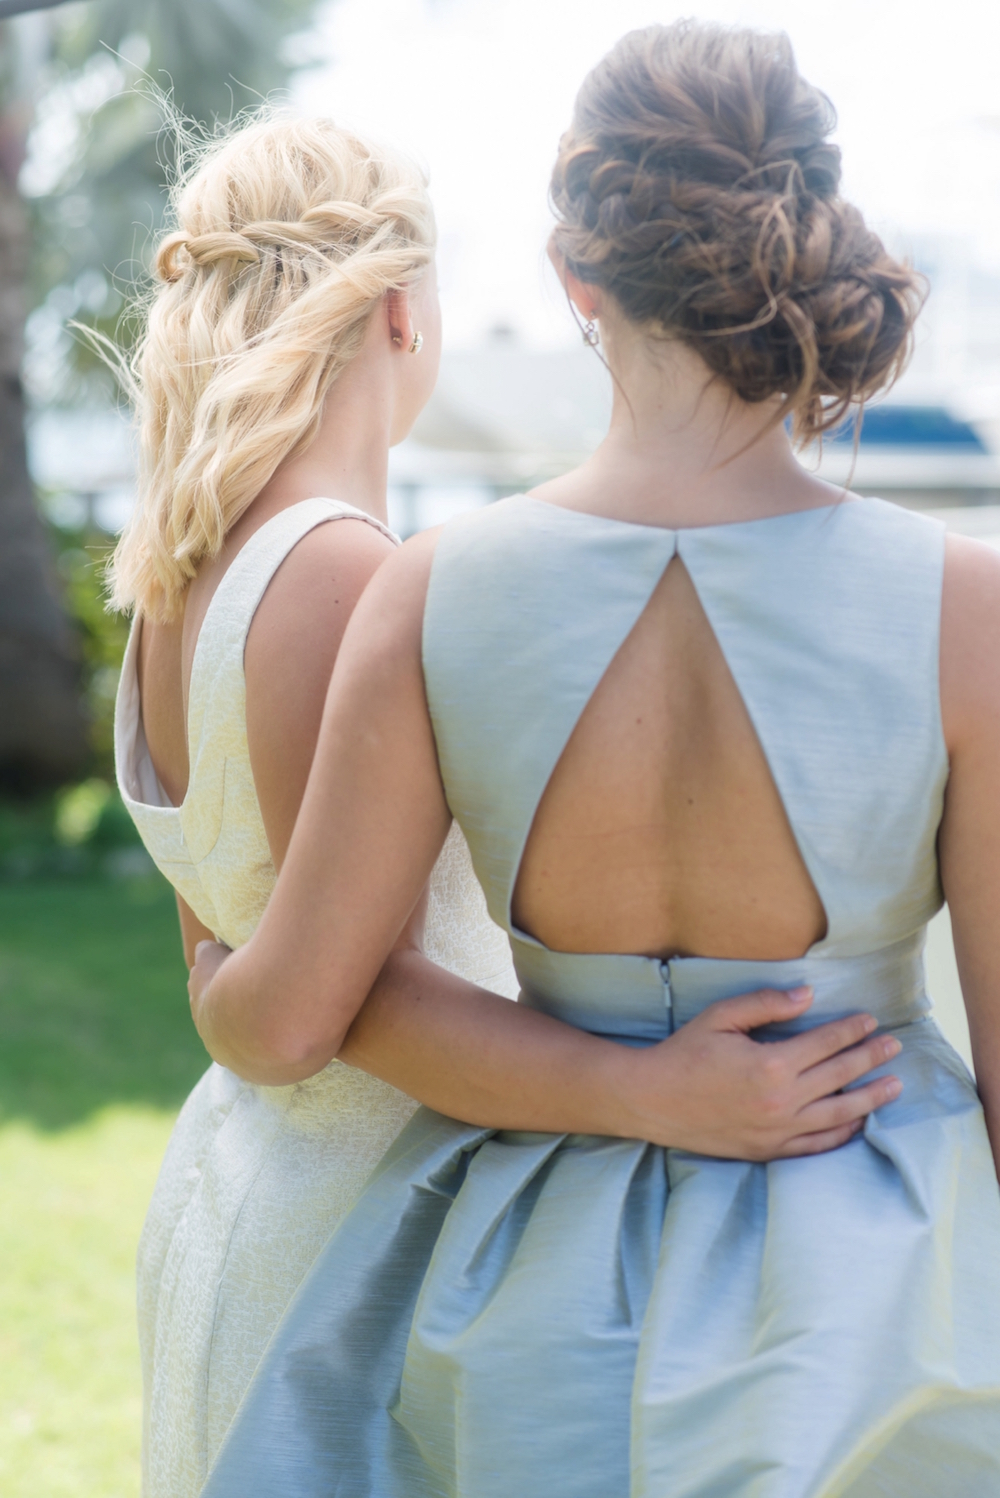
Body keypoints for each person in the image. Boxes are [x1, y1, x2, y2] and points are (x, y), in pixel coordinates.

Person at [192, 23, 1000, 1498]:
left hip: (546, 1304)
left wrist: (211, 958)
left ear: (578, 283)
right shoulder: (967, 606)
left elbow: (295, 1019)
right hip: (891, 1303)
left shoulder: (431, 590)